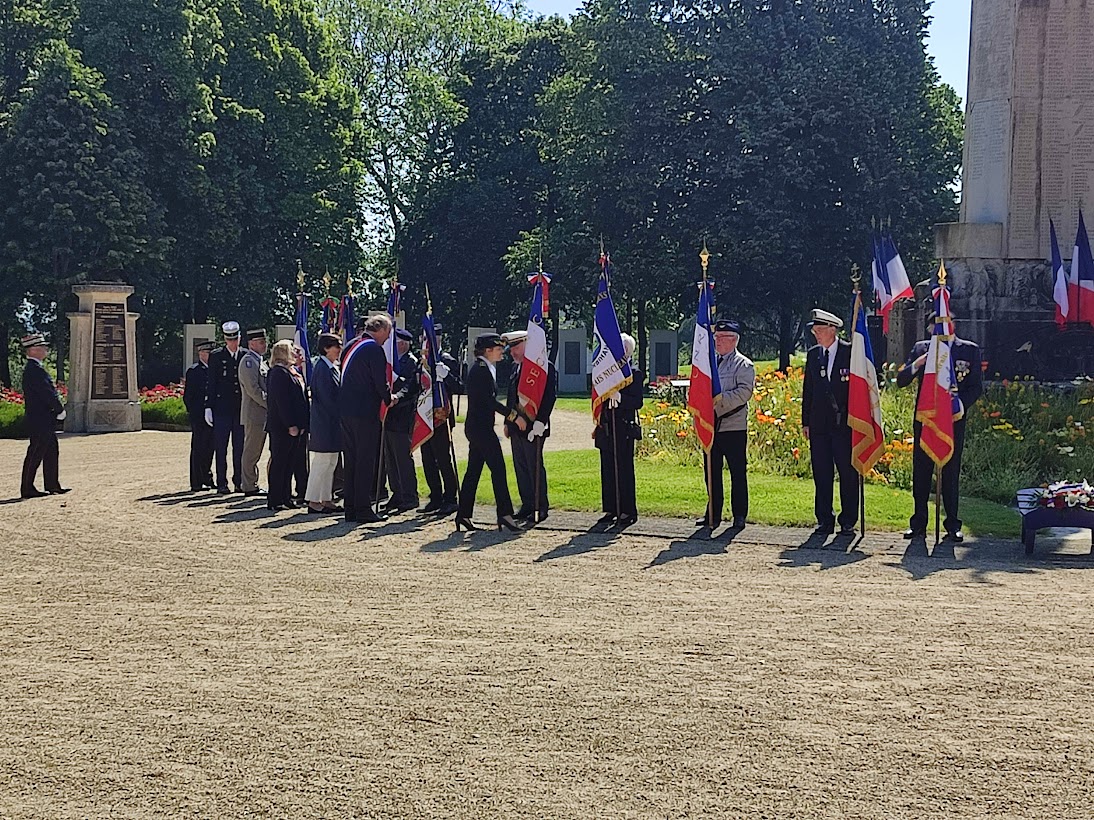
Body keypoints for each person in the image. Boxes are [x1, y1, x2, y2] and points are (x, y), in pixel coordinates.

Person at [896, 317, 983, 541]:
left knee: (950, 474)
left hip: (953, 421)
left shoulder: (969, 350)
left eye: (946, 320)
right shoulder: (921, 349)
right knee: (921, 474)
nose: (942, 325)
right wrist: (918, 363)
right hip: (926, 421)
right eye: (936, 323)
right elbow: (901, 380)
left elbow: (976, 387)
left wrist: (959, 405)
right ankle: (918, 523)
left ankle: (952, 524)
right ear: (930, 328)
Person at [455, 333, 525, 533]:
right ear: (488, 351)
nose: (502, 352)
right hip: (481, 429)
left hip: (478, 428)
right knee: (498, 469)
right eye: (498, 349)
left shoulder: (484, 368)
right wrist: (514, 416)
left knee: (473, 471)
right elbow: (489, 402)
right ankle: (505, 514)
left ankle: (463, 514)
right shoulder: (481, 370)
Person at [801, 308, 857, 535]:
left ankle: (848, 519)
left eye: (820, 330)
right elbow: (809, 390)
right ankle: (824, 518)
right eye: (814, 331)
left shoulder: (850, 352)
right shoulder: (814, 355)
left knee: (847, 473)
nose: (816, 334)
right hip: (819, 425)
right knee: (822, 473)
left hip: (844, 425)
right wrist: (805, 421)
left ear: (832, 329)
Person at [697, 319, 755, 529]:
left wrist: (717, 401)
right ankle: (713, 513)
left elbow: (744, 392)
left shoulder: (743, 364)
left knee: (737, 472)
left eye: (722, 337)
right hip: (711, 426)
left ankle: (739, 514)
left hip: (733, 427)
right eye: (716, 337)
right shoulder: (709, 364)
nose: (718, 341)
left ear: (734, 340)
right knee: (711, 472)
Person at [340, 313, 394, 524]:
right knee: (365, 461)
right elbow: (380, 381)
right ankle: (363, 508)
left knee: (351, 461)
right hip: (364, 412)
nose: (388, 338)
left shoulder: (351, 346)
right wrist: (389, 398)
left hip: (346, 411)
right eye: (388, 332)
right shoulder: (373, 349)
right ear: (380, 329)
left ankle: (351, 507)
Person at [501, 329, 557, 523]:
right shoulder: (515, 368)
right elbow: (511, 398)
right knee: (521, 466)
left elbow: (549, 397)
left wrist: (541, 421)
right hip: (516, 426)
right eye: (511, 349)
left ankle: (540, 506)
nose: (512, 352)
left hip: (535, 426)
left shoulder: (544, 367)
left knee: (534, 467)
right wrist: (507, 422)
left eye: (516, 347)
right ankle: (527, 504)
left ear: (527, 345)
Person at [593, 332, 644, 528]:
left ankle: (627, 510)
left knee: (624, 470)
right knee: (607, 469)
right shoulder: (605, 374)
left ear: (627, 351)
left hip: (623, 428)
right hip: (606, 427)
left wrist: (620, 398)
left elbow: (637, 402)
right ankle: (610, 508)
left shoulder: (634, 373)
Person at [19, 333, 69, 499]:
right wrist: (59, 409)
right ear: (33, 350)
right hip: (40, 418)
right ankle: (27, 488)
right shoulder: (34, 370)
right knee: (36, 452)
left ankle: (52, 484)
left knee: (51, 451)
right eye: (42, 347)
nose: (45, 349)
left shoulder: (36, 369)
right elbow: (47, 393)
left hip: (43, 418)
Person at [418, 325, 462, 515]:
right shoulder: (422, 361)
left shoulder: (447, 360)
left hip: (442, 418)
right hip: (425, 416)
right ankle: (435, 496)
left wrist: (447, 376)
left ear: (440, 339)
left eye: (434, 337)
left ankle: (450, 497)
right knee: (427, 459)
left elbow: (460, 387)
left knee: (443, 459)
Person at [265, 340, 309, 511]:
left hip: (294, 425)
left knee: (289, 463)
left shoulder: (289, 371)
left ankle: (286, 497)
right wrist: (291, 424)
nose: (295, 352)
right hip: (281, 427)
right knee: (280, 463)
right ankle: (275, 499)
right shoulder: (278, 373)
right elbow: (282, 402)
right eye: (291, 350)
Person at [381, 327, 421, 514]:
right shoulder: (390, 360)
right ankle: (397, 493)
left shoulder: (411, 362)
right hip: (389, 415)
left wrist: (396, 397)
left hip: (403, 415)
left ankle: (409, 495)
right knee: (390, 458)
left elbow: (410, 387)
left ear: (403, 344)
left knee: (402, 458)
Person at [205, 321, 246, 494]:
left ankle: (239, 481)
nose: (233, 343)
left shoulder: (245, 355)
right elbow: (211, 382)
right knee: (221, 448)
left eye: (235, 339)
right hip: (221, 408)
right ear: (225, 339)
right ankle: (221, 482)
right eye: (230, 340)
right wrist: (208, 406)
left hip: (240, 408)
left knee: (239, 447)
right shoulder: (216, 356)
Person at [304, 333, 343, 514]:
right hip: (324, 423)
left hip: (332, 424)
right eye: (337, 346)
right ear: (326, 348)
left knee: (331, 462)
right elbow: (328, 399)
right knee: (321, 462)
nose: (339, 349)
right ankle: (313, 500)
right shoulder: (321, 368)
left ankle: (326, 498)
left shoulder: (332, 367)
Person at [238, 328, 269, 496]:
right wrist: (271, 404)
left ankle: (251, 483)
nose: (265, 345)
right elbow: (253, 390)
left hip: (262, 414)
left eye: (265, 342)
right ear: (251, 344)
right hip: (254, 414)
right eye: (261, 342)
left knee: (256, 450)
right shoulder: (248, 362)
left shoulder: (260, 361)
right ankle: (249, 485)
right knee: (252, 451)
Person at [183, 341, 215, 491]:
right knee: (198, 448)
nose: (210, 356)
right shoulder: (194, 371)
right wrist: (194, 414)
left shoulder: (214, 369)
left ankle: (207, 478)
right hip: (199, 416)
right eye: (208, 353)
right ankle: (196, 481)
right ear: (200, 353)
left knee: (210, 448)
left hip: (213, 415)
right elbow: (188, 396)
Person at [291, 345, 310, 500]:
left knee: (301, 459)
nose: (302, 357)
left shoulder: (297, 371)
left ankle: (302, 489)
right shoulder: (284, 373)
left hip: (302, 423)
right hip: (292, 424)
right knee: (292, 459)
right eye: (298, 354)